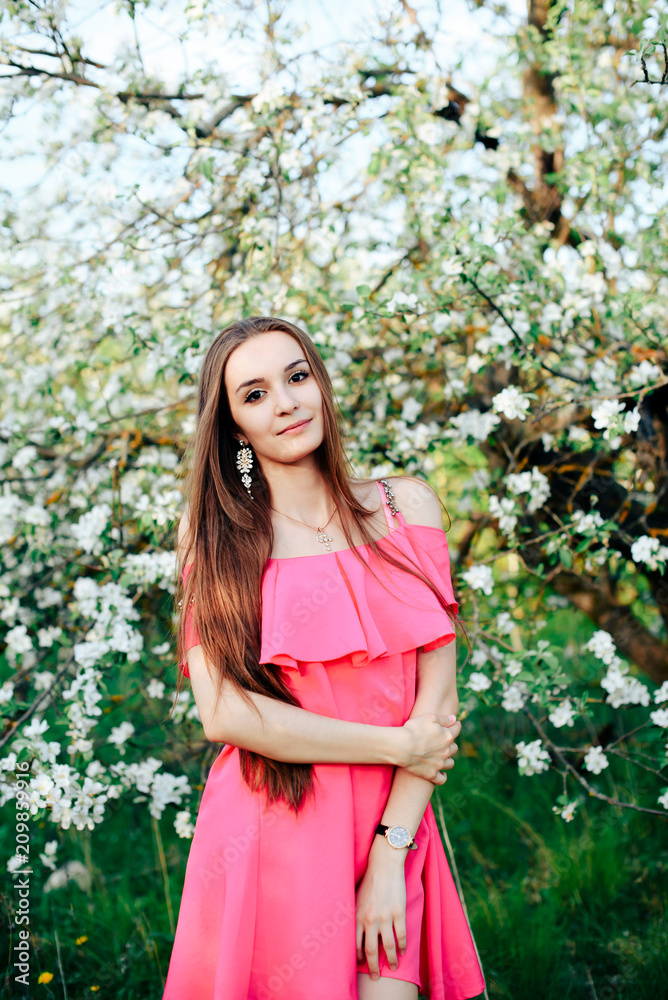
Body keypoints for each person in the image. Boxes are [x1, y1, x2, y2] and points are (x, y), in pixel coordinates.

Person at [162, 316, 486, 1000]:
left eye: (297, 376)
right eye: (254, 394)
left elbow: (439, 703)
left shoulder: (408, 508)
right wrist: (397, 743)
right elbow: (224, 714)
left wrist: (391, 856)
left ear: (322, 385)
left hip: (393, 823)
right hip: (272, 826)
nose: (284, 402)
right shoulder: (216, 536)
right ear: (233, 427)